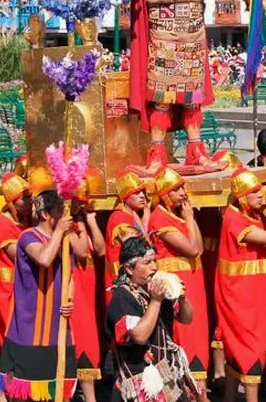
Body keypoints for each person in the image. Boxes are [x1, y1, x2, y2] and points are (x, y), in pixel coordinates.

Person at [128, 0, 246, 173]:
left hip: (193, 32)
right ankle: (157, 154)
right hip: (165, 30)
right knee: (163, 95)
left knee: (192, 96)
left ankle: (197, 153)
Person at [0, 190, 87, 401]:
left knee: (60, 390)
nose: (65, 216)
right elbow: (44, 258)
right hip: (29, 326)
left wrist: (69, 301)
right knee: (21, 391)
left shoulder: (65, 239)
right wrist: (59, 233)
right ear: (46, 215)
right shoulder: (27, 236)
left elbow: (70, 275)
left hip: (59, 326)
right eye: (59, 211)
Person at [216, 168, 266, 402]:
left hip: (253, 293)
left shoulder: (248, 213)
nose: (261, 196)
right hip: (242, 298)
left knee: (240, 352)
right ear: (242, 197)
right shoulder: (235, 220)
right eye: (254, 192)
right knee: (250, 350)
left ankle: (229, 398)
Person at [107, 236, 197, 402]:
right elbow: (140, 336)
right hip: (139, 380)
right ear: (129, 268)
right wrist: (156, 301)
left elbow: (186, 319)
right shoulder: (121, 297)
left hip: (167, 374)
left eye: (155, 261)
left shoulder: (156, 288)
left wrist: (182, 297)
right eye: (147, 263)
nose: (154, 267)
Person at [148, 169, 210, 396]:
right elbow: (192, 248)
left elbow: (199, 249)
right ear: (164, 194)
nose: (183, 194)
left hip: (194, 285)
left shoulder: (179, 216)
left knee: (198, 335)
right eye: (177, 190)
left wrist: (189, 221)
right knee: (184, 339)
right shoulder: (160, 218)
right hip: (178, 289)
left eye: (183, 188)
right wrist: (190, 218)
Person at [71, 174, 107, 402]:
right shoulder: (63, 224)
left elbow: (101, 249)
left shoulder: (84, 220)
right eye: (79, 201)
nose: (82, 204)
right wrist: (82, 226)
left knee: (93, 338)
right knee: (83, 342)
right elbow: (82, 250)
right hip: (75, 290)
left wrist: (91, 221)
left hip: (91, 288)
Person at [0, 172, 33, 349]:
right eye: (24, 199)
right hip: (9, 290)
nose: (30, 202)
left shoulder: (25, 219)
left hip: (24, 288)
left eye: (30, 197)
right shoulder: (3, 224)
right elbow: (20, 255)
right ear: (12, 204)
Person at [104, 172, 150, 300]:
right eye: (135, 193)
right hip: (124, 282)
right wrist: (145, 219)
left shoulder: (130, 215)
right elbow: (138, 248)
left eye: (143, 192)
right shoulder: (119, 218)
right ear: (125, 197)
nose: (142, 196)